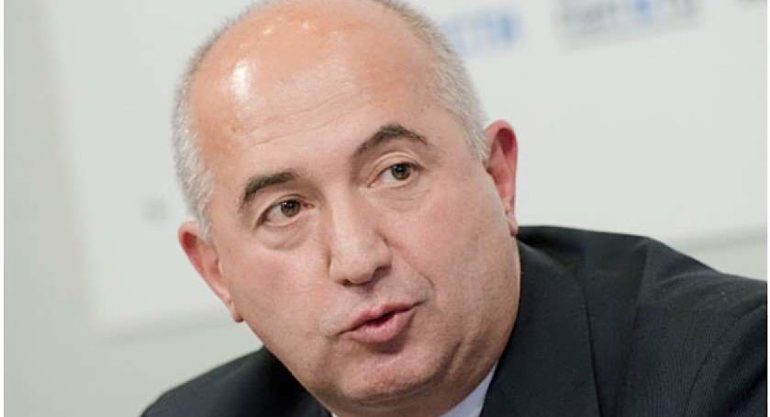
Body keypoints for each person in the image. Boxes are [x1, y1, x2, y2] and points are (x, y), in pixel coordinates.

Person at [142, 0, 766, 416]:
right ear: (217, 272)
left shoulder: (724, 369)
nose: (357, 259)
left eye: (396, 172)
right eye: (285, 210)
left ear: (498, 177)